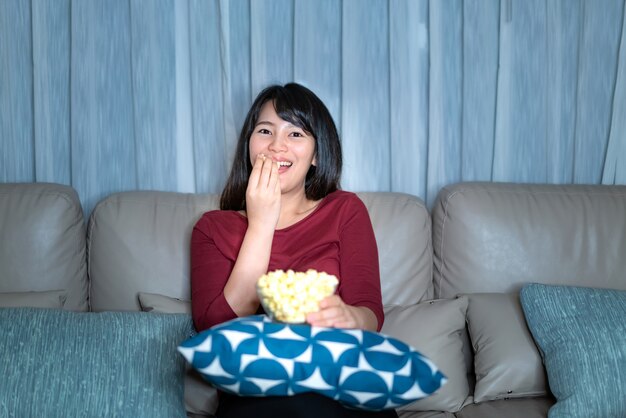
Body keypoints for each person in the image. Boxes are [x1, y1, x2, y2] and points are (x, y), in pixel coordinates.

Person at [190, 83, 397, 418]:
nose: (276, 146)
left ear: (316, 155)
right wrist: (260, 224)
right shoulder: (211, 228)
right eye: (265, 130)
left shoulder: (346, 210)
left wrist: (349, 317)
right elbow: (218, 330)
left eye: (295, 134)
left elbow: (369, 311)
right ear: (249, 146)